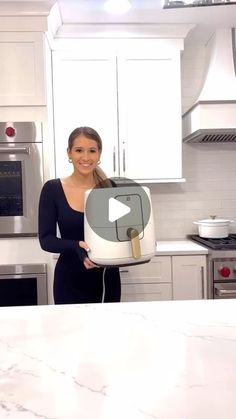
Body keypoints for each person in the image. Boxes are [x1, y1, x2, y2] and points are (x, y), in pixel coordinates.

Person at [38, 126, 121, 304]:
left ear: (99, 154)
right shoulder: (53, 189)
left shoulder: (109, 187)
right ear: (69, 153)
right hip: (70, 280)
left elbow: (118, 232)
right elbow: (46, 240)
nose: (85, 157)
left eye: (92, 150)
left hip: (107, 279)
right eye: (78, 150)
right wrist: (76, 246)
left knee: (108, 330)